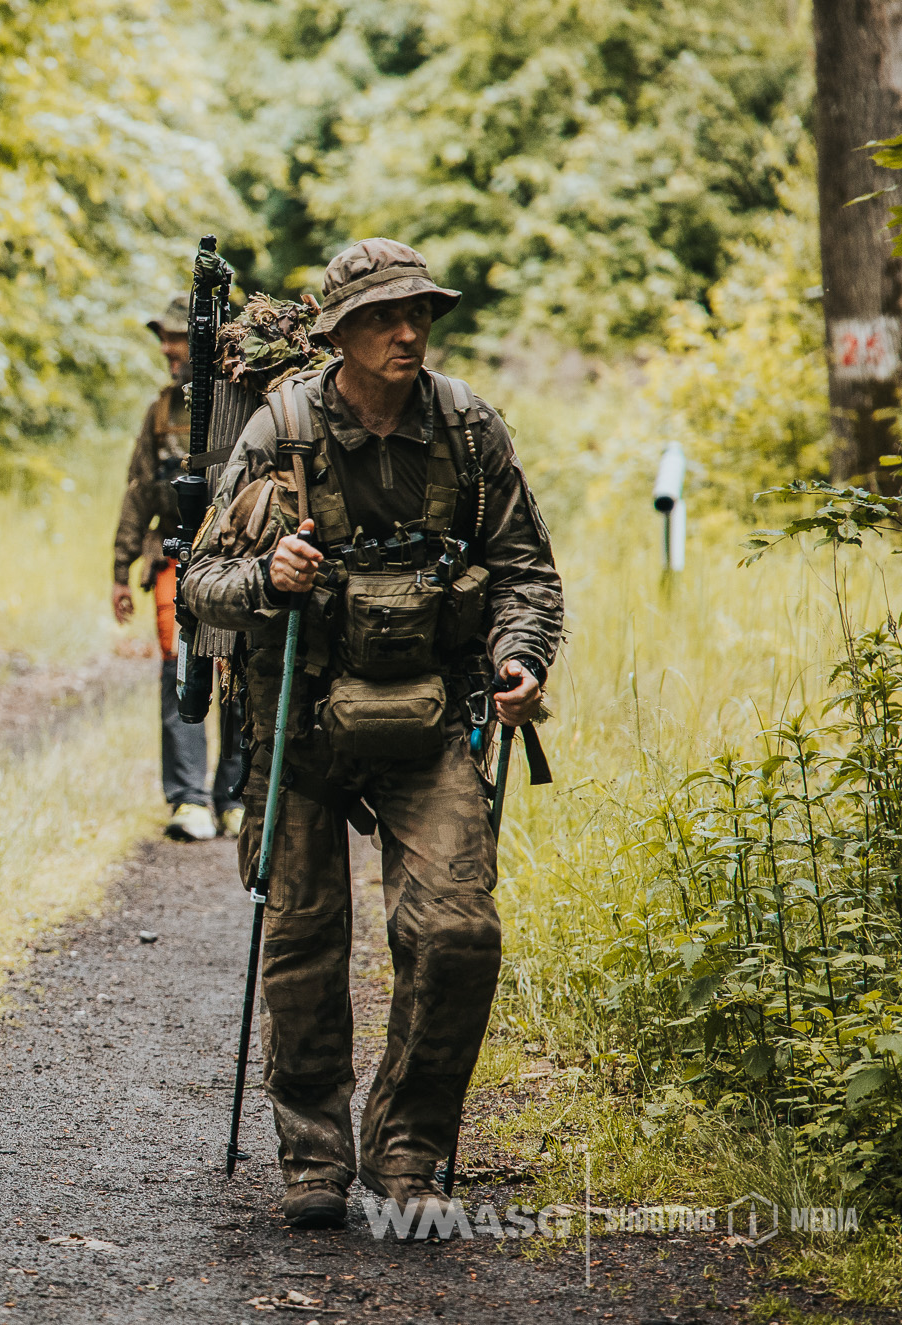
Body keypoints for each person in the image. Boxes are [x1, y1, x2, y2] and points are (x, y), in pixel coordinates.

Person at [179, 239, 564, 1228]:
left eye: (419, 314)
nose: (407, 332)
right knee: (303, 941)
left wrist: (518, 660)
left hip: (432, 720)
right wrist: (270, 580)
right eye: (385, 318)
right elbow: (200, 585)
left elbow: (525, 574)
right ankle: (313, 1154)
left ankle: (407, 1148)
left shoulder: (468, 429)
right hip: (301, 726)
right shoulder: (282, 427)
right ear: (338, 334)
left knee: (455, 932)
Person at [112, 294, 246, 843]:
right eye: (164, 338)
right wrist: (120, 570)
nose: (169, 348)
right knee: (180, 672)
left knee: (237, 678)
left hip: (240, 562)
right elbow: (139, 489)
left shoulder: (247, 405)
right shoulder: (162, 411)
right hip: (174, 562)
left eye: (177, 338)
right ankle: (189, 799)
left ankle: (235, 799)